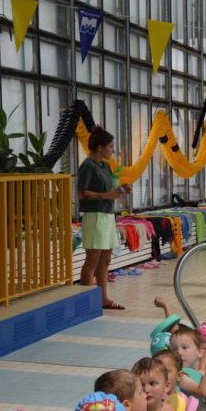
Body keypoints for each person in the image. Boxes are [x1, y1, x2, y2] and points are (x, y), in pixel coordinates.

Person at [77, 127, 131, 310]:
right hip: (95, 217)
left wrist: (121, 189)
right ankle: (86, 302)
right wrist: (105, 195)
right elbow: (82, 193)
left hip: (107, 215)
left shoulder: (105, 166)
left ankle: (103, 299)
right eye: (110, 147)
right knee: (92, 260)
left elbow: (107, 191)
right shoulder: (88, 166)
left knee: (106, 260)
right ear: (100, 148)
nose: (112, 150)